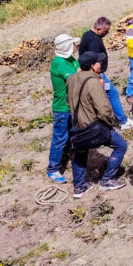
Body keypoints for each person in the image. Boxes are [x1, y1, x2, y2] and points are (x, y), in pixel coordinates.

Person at [67, 51, 128, 198]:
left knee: (80, 153)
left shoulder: (71, 79)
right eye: (99, 63)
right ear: (93, 66)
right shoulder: (94, 82)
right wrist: (111, 123)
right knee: (121, 146)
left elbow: (69, 101)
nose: (101, 65)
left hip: (77, 126)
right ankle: (107, 179)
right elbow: (103, 109)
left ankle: (79, 186)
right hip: (93, 126)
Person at [79, 17, 133, 130]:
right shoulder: (94, 41)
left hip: (90, 73)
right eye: (105, 31)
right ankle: (122, 121)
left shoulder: (87, 35)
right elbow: (93, 61)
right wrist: (99, 77)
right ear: (98, 29)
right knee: (112, 94)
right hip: (95, 74)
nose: (107, 33)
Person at [47, 33, 80, 184]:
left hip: (72, 106)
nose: (76, 46)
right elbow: (74, 78)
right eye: (73, 44)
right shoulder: (58, 63)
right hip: (62, 108)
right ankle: (53, 169)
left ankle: (70, 156)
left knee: (72, 135)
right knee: (60, 138)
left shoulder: (71, 59)